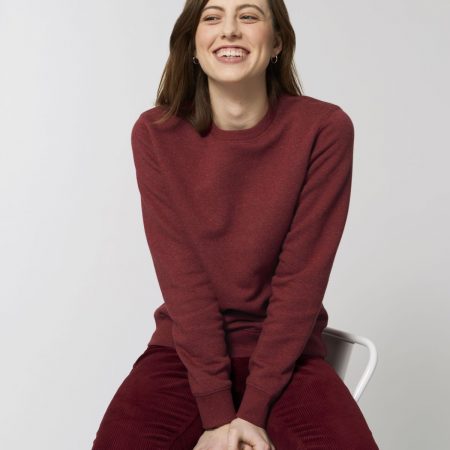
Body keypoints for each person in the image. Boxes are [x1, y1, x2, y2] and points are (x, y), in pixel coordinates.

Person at [91, 0, 380, 449]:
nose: (229, 30)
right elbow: (182, 280)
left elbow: (301, 280)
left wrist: (253, 409)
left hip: (287, 355)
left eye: (248, 15)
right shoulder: (156, 133)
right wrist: (217, 414)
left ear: (277, 42)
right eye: (212, 17)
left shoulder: (324, 129)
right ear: (193, 43)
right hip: (184, 352)